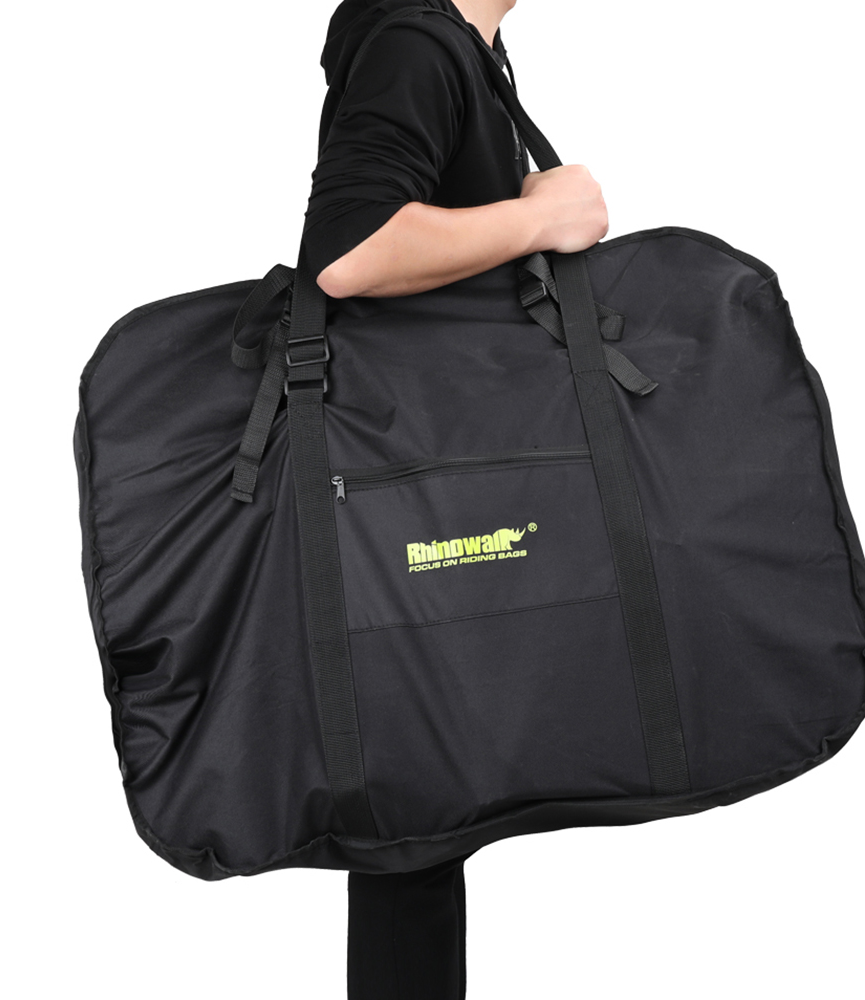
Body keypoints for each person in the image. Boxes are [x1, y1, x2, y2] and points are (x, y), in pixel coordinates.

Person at [302, 2, 608, 997]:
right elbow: (349, 250)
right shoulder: (415, 45)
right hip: (409, 486)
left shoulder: (466, 49)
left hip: (424, 476)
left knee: (423, 815)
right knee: (413, 821)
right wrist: (540, 216)